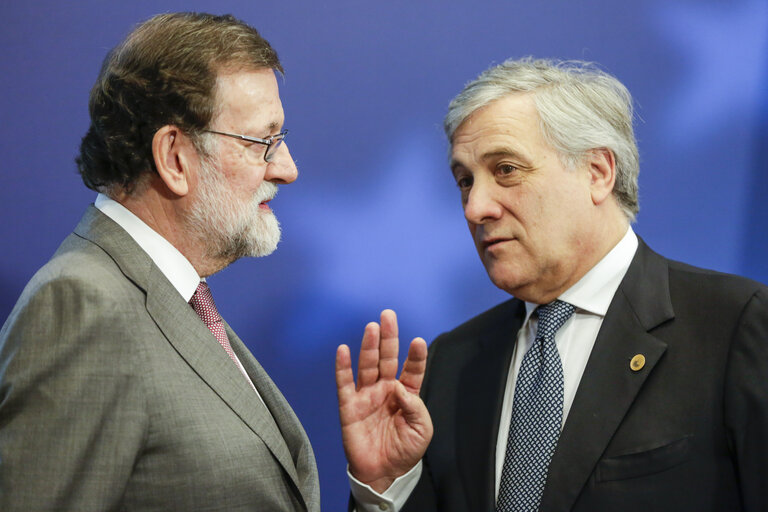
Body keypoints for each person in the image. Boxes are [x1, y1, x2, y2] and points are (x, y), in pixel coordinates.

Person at [336, 58, 768, 511]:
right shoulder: (452, 364)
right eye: (465, 181)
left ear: (598, 172)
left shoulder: (736, 326)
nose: (475, 207)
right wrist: (386, 485)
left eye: (505, 169)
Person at [0, 13, 319, 511]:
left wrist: (372, 489)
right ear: (174, 156)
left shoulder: (176, 298)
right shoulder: (83, 304)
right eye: (263, 141)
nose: (286, 168)